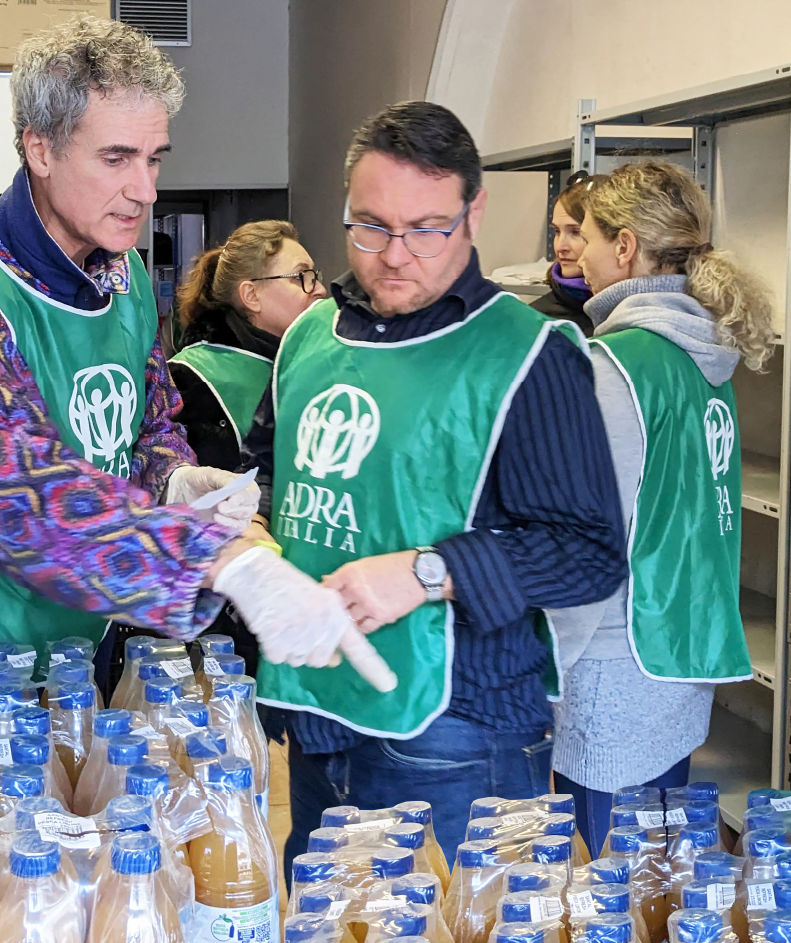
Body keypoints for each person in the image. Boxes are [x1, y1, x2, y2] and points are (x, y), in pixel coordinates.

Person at [0, 15, 392, 704]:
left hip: (68, 661)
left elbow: (145, 426)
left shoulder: (124, 281)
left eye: (154, 159)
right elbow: (15, 496)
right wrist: (220, 561)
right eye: (117, 158)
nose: (146, 190)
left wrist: (173, 478)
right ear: (39, 148)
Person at [238, 101, 628, 869]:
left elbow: (587, 554)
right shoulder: (308, 338)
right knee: (326, 935)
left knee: (456, 936)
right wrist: (247, 539)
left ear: (472, 213)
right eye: (369, 226)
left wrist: (427, 571)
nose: (392, 255)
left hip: (458, 734)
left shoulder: (528, 354)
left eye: (425, 229)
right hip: (317, 714)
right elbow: (269, 483)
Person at [550, 161, 776, 856]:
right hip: (680, 658)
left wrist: (542, 665)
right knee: (658, 874)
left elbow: (583, 545)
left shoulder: (610, 367)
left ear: (624, 248)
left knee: (608, 887)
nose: (575, 253)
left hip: (611, 675)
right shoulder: (703, 355)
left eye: (585, 235)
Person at [170, 220, 328, 470]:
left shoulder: (316, 363)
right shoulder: (187, 379)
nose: (320, 289)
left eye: (315, 276)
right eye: (301, 277)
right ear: (252, 296)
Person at [531, 172, 609, 337]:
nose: (560, 247)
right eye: (557, 231)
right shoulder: (536, 319)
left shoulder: (635, 312)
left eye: (575, 232)